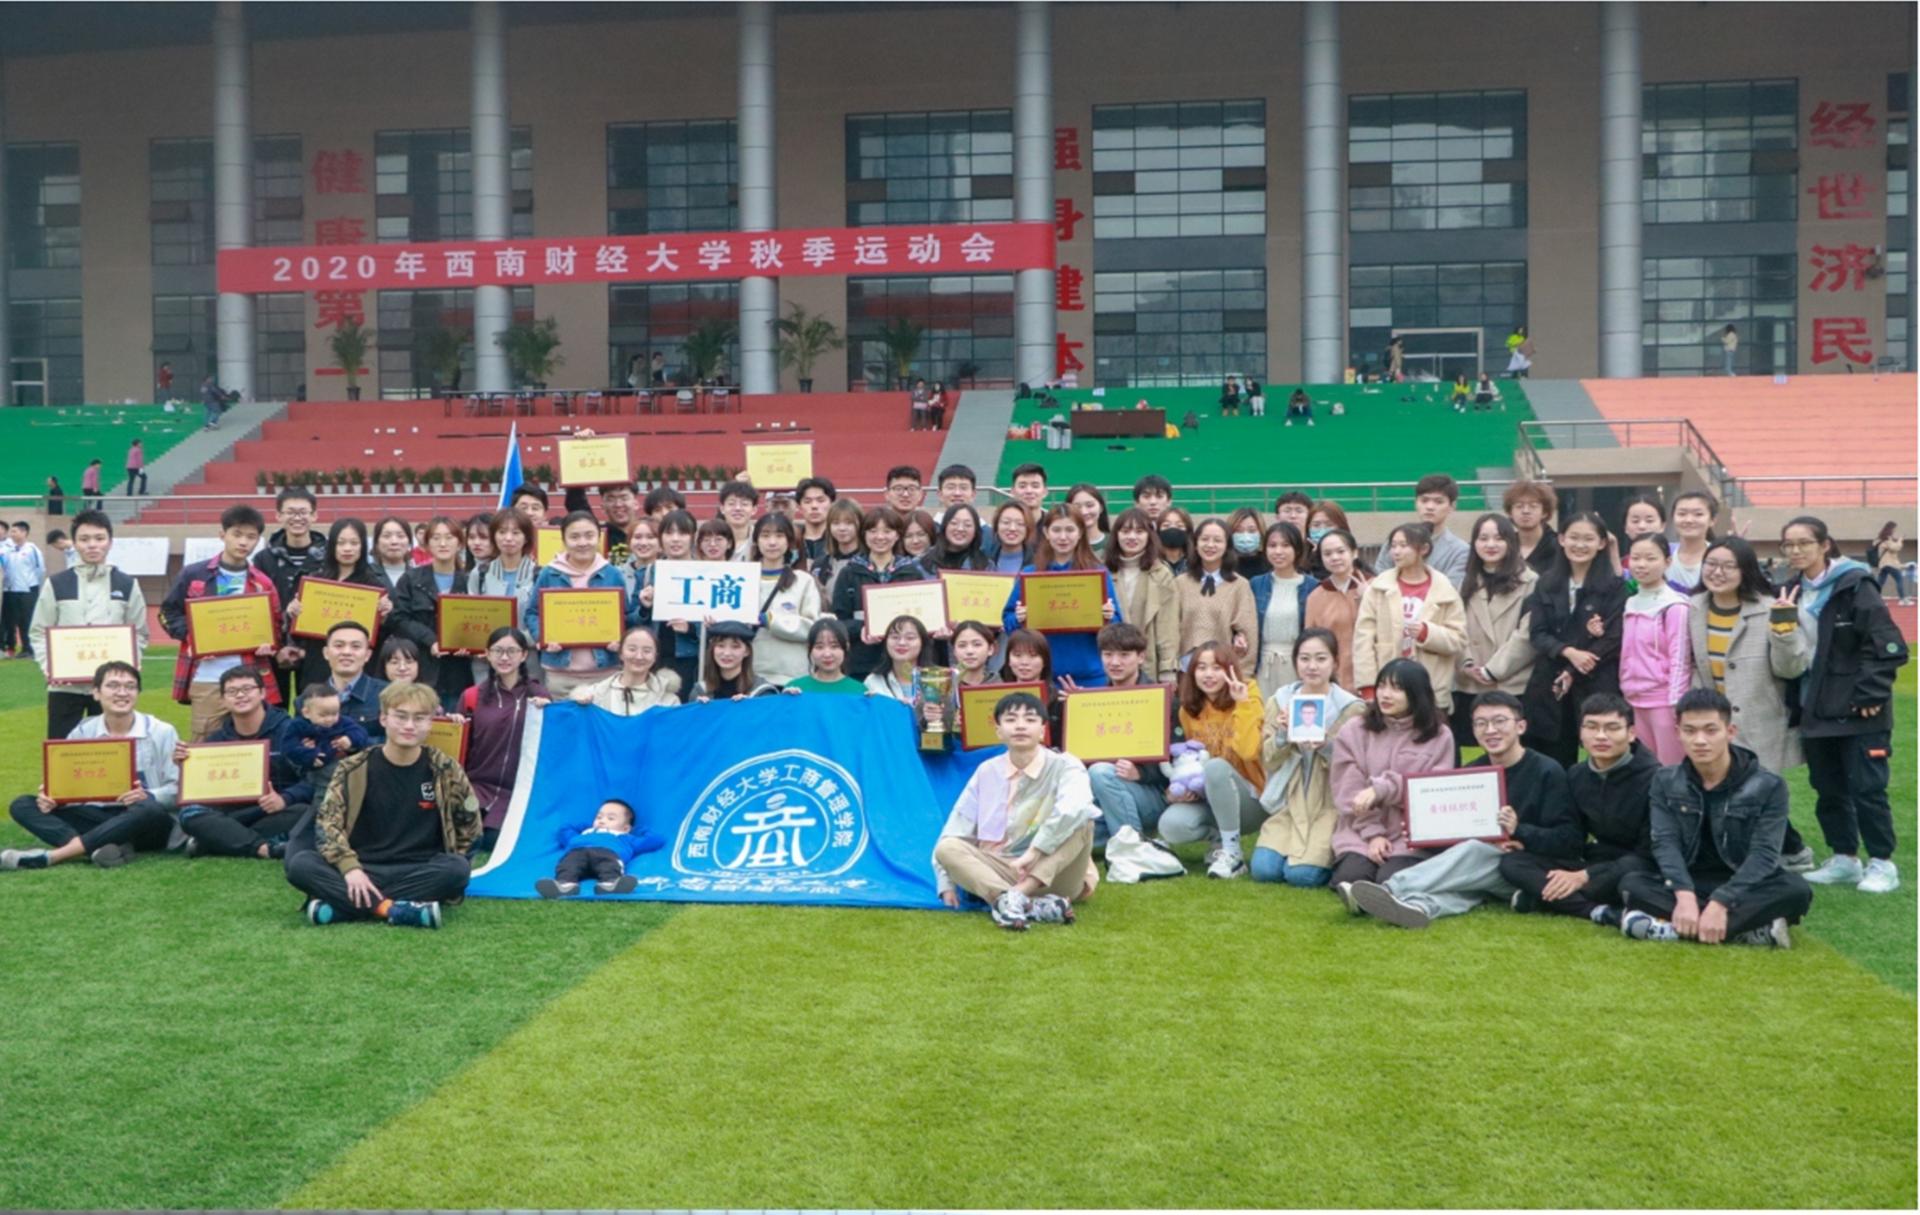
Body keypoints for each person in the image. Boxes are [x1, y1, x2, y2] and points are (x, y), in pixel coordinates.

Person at [1344, 691, 1577, 928]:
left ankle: (1389, 890)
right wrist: (1425, 831)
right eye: (1481, 723)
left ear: (1521, 726)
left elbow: (1569, 840)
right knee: (1467, 876)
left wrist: (1521, 833)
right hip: (1483, 869)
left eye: (1499, 721)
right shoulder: (1471, 775)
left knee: (1474, 853)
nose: (1490, 730)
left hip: (1529, 870)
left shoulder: (1547, 771)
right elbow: (1457, 835)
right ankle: (1418, 907)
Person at [1617, 690, 1811, 948]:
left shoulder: (1768, 785)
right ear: (1678, 733)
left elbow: (1764, 854)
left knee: (1797, 890)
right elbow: (1665, 842)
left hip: (1742, 882)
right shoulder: (1665, 780)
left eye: (1710, 731)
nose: (1700, 740)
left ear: (1730, 732)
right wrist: (1684, 895)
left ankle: (1674, 928)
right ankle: (1748, 931)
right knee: (1631, 883)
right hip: (1690, 879)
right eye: (1690, 731)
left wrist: (1721, 902)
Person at [1778, 516, 1908, 893]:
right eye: (1789, 544)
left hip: (1858, 709)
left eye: (1804, 543)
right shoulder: (1790, 590)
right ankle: (1844, 857)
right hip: (1815, 707)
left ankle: (1882, 862)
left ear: (1825, 545)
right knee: (1828, 787)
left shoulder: (1854, 585)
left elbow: (1887, 645)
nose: (1796, 550)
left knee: (1867, 788)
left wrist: (1870, 694)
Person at [285, 681, 482, 929]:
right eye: (401, 716)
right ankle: (393, 909)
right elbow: (328, 824)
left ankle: (346, 907)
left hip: (419, 870)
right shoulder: (352, 767)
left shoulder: (446, 768)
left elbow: (470, 824)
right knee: (301, 865)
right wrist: (350, 869)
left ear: (431, 723)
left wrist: (457, 857)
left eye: (419, 718)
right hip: (362, 867)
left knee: (457, 869)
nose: (409, 725)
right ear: (383, 718)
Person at [932, 691, 1094, 930]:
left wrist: (1036, 851)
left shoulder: (1066, 765)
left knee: (1084, 819)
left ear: (1043, 730)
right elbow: (956, 828)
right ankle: (1026, 905)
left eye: (1030, 719)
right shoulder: (986, 771)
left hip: (1055, 873)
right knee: (947, 848)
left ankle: (1015, 897)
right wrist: (946, 882)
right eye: (1010, 719)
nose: (1020, 726)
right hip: (1001, 868)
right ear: (998, 731)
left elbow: (1075, 807)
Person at [2, 662, 176, 873]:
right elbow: (67, 783)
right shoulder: (83, 730)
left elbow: (177, 789)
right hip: (96, 815)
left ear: (138, 693)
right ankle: (101, 847)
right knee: (23, 805)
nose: (122, 693)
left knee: (148, 809)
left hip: (143, 820)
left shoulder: (161, 731)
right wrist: (51, 796)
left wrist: (148, 795)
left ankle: (56, 856)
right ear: (96, 693)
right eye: (113, 686)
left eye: (130, 687)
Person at [1502, 693, 1658, 925]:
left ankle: (1548, 898)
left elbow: (1648, 854)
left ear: (1631, 733)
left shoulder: (1655, 778)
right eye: (1591, 727)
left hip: (1636, 866)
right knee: (1513, 863)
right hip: (1593, 861)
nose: (1601, 736)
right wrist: (1524, 837)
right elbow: (1571, 839)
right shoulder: (1577, 775)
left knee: (1631, 884)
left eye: (1612, 728)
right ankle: (1596, 911)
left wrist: (1584, 877)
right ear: (1581, 732)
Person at [1327, 659, 1455, 893]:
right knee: (1352, 877)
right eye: (1382, 686)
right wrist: (1373, 835)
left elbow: (1432, 790)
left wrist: (1382, 790)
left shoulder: (1439, 735)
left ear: (1416, 694)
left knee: (1391, 880)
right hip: (1360, 831)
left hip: (1410, 835)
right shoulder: (1354, 730)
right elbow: (1349, 790)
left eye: (1396, 689)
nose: (1385, 694)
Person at [160, 505, 284, 741]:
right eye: (237, 534)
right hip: (207, 677)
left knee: (254, 743)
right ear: (222, 535)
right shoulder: (193, 574)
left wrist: (269, 643)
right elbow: (168, 613)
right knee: (206, 744)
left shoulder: (263, 583)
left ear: (258, 541)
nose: (243, 542)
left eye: (251, 537)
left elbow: (276, 625)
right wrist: (193, 638)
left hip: (250, 675)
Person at [1252, 629, 1362, 887]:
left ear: (1335, 662)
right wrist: (1283, 735)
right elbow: (1268, 760)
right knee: (1264, 871)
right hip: (1289, 799)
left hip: (1328, 801)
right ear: (1295, 662)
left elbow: (1356, 767)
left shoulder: (1350, 708)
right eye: (1304, 659)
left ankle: (1327, 857)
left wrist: (1326, 746)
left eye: (1321, 659)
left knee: (1302, 876)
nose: (1312, 666)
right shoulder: (1281, 700)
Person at [29, 510, 149, 741]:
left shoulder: (126, 584)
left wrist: (132, 662)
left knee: (110, 750)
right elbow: (39, 631)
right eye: (84, 539)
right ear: (74, 543)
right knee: (62, 750)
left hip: (111, 688)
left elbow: (139, 633)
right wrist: (49, 666)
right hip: (64, 687)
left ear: (110, 542)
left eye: (99, 538)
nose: (92, 545)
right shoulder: (57, 583)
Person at [175, 668, 315, 860]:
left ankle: (214, 841)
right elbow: (202, 792)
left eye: (247, 689)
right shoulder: (216, 740)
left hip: (276, 810)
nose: (240, 695)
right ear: (223, 700)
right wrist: (186, 766)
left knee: (306, 813)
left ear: (263, 693)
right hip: (234, 813)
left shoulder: (290, 731)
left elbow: (312, 780)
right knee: (190, 813)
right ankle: (264, 848)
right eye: (232, 691)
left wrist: (285, 798)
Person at [1520, 512, 1626, 767]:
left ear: (1601, 543)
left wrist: (1575, 668)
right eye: (1574, 537)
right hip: (1551, 682)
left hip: (1596, 679)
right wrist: (1569, 652)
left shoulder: (1614, 586)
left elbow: (1614, 638)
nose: (1580, 545)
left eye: (1588, 539)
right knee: (1552, 758)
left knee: (1604, 754)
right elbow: (1538, 633)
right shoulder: (1547, 583)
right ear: (1561, 539)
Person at [1159, 641, 1264, 879]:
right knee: (1171, 826)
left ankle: (1233, 854)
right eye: (1201, 668)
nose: (1208, 675)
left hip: (1252, 798)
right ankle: (1219, 840)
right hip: (1210, 796)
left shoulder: (1249, 692)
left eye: (1217, 668)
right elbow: (1190, 760)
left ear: (1230, 670)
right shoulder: (1188, 710)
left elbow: (1249, 751)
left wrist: (1242, 703)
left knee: (1215, 767)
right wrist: (1180, 792)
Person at [1354, 521, 1467, 719]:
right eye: (1393, 546)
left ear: (1423, 549)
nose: (1396, 551)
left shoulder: (1445, 590)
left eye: (1403, 545)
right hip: (1387, 688)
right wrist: (1368, 685)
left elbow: (1458, 639)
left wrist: (1427, 633)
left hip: (1430, 689)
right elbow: (1363, 638)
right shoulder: (1379, 588)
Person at [452, 626, 548, 851]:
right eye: (498, 651)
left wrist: (548, 713)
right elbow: (460, 747)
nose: (504, 657)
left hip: (518, 790)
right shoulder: (471, 696)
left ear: (524, 655)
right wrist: (455, 725)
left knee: (495, 839)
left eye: (512, 651)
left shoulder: (539, 695)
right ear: (487, 654)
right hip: (477, 786)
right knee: (465, 831)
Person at [525, 510, 638, 698]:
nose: (583, 542)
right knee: (563, 717)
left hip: (605, 671)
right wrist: (542, 637)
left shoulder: (612, 574)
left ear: (599, 537)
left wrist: (621, 639)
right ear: (564, 540)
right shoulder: (549, 573)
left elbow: (625, 616)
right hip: (560, 672)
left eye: (589, 535)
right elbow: (532, 613)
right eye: (575, 537)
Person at [1003, 506, 1119, 688]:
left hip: (1090, 675)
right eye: (1056, 530)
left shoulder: (1097, 574)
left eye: (1070, 530)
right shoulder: (1030, 575)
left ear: (1080, 533)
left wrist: (1108, 617)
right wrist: (1019, 618)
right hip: (1041, 676)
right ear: (1046, 533)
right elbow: (1008, 622)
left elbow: (1117, 628)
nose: (1063, 537)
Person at [281, 519, 391, 695]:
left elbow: (380, 637)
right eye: (341, 543)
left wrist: (384, 616)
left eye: (354, 543)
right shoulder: (315, 582)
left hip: (357, 668)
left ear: (363, 546)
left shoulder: (374, 586)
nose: (347, 548)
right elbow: (299, 635)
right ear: (332, 546)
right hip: (317, 665)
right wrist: (293, 613)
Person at [1455, 513, 1538, 746]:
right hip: (1470, 683)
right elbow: (1455, 627)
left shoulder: (1531, 581)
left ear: (1511, 542)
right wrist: (1467, 664)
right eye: (1483, 538)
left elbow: (1528, 633)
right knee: (1475, 752)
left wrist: (1493, 671)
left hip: (1511, 682)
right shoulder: (1465, 581)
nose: (1490, 545)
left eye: (1499, 538)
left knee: (1509, 748)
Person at [386, 516, 475, 712]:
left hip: (458, 672)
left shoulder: (471, 580)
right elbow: (399, 619)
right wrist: (431, 640)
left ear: (460, 543)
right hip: (422, 669)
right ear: (426, 544)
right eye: (436, 538)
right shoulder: (411, 579)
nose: (443, 543)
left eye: (449, 537)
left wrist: (469, 644)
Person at [1618, 533, 1692, 764]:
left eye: (1650, 558)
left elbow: (1680, 659)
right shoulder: (1630, 602)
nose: (1641, 565)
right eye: (1636, 558)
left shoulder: (1675, 605)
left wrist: (1676, 704)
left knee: (1670, 769)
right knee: (1644, 770)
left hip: (1664, 702)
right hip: (1633, 699)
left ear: (1667, 562)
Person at [829, 506, 927, 679]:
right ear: (864, 535)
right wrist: (861, 629)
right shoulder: (849, 572)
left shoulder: (911, 572)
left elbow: (923, 618)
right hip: (862, 663)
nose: (880, 537)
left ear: (897, 535)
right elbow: (838, 620)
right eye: (873, 531)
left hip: (904, 663)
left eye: (887, 531)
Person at [255, 487, 327, 703]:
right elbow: (258, 606)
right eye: (290, 512)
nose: (297, 518)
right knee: (274, 709)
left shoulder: (329, 557)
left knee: (316, 707)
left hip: (317, 647)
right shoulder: (263, 559)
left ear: (314, 515)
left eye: (303, 512)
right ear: (278, 516)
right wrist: (276, 646)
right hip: (274, 648)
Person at [1104, 508, 1180, 683]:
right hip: (1109, 665)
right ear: (1116, 535)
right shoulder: (1102, 571)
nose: (1132, 537)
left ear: (1149, 536)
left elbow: (1168, 627)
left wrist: (1168, 669)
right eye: (1125, 531)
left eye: (1139, 531)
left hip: (1147, 664)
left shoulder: (1161, 574)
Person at [1176, 518, 1257, 679]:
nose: (1210, 545)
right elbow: (1170, 629)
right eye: (1205, 539)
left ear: (1227, 546)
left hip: (1223, 672)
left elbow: (1249, 632)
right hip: (1185, 670)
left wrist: (1243, 676)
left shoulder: (1239, 585)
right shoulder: (1180, 583)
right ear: (1195, 544)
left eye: (1217, 540)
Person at [748, 512, 821, 687]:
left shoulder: (803, 581)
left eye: (779, 536)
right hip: (751, 673)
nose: (772, 542)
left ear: (789, 542)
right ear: (756, 541)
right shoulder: (744, 578)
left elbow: (813, 628)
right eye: (765, 536)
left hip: (793, 675)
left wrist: (771, 620)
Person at [536, 797, 661, 898]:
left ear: (625, 828)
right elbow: (564, 830)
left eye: (610, 818)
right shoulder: (585, 833)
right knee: (568, 864)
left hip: (607, 853)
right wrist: (588, 827)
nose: (602, 821)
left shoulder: (623, 837)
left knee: (610, 865)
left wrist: (638, 830)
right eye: (599, 817)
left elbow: (654, 840)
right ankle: (564, 885)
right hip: (577, 852)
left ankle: (610, 884)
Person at [1251, 521, 1317, 691]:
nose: (1278, 551)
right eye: (1272, 545)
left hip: (1297, 666)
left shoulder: (1312, 587)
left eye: (1286, 545)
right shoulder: (1256, 584)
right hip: (1263, 666)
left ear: (1297, 549)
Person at [1373, 473, 1469, 588]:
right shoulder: (1396, 540)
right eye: (1424, 500)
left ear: (1452, 506)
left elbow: (1451, 589)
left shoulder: (1460, 551)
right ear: (1416, 503)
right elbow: (1379, 579)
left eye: (1438, 502)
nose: (1430, 507)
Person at [1303, 528, 1365, 690]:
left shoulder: (1374, 587)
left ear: (1354, 553)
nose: (1335, 557)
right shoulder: (1316, 596)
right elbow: (1310, 641)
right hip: (1331, 680)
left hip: (1368, 676)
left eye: (1340, 551)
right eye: (1327, 554)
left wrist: (1366, 599)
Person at [572, 624, 682, 714]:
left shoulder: (668, 701)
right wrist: (580, 702)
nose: (639, 656)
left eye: (647, 651)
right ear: (620, 653)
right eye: (632, 649)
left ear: (655, 657)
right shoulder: (595, 696)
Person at [311, 621, 388, 741]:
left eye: (355, 646)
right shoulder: (308, 698)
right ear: (326, 653)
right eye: (339, 645)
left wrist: (355, 743)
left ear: (367, 655)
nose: (346, 652)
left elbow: (396, 741)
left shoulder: (387, 694)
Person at [282, 682, 372, 775]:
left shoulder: (342, 721)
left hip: (340, 767)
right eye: (323, 715)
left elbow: (361, 733)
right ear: (306, 713)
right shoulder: (297, 726)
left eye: (334, 714)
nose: (329, 719)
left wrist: (350, 739)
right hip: (311, 772)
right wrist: (308, 755)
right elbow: (288, 747)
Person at [691, 620, 778, 700]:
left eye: (735, 647)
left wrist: (750, 707)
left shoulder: (761, 691)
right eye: (721, 646)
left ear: (747, 651)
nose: (727, 653)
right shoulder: (701, 691)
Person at [863, 614, 933, 702]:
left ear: (923, 643)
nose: (901, 643)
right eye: (895, 637)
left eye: (910, 638)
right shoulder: (874, 681)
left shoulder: (938, 678)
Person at [2, 520, 47, 658]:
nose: (12, 534)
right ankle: (12, 647)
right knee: (10, 620)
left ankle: (29, 649)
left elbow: (40, 570)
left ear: (24, 532)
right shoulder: (8, 550)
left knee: (26, 620)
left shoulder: (32, 549)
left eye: (14, 531)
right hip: (10, 590)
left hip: (28, 591)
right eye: (11, 531)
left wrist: (31, 585)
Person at [788, 618, 866, 696]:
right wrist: (786, 699)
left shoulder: (859, 690)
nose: (827, 654)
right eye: (819, 647)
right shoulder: (796, 689)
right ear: (809, 649)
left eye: (834, 646)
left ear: (846, 647)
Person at [1502, 479, 1560, 574]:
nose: (1526, 511)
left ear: (1544, 512)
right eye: (1519, 506)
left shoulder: (1559, 547)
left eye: (1533, 506)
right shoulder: (1505, 546)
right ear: (1510, 512)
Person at [1667, 491, 1717, 591]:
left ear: (1712, 520)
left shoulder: (1719, 556)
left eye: (1698, 514)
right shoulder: (1663, 553)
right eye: (1682, 514)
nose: (1689, 520)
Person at [929, 504, 990, 571]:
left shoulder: (986, 566)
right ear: (945, 527)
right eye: (954, 523)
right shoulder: (924, 563)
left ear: (976, 531)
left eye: (967, 525)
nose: (960, 529)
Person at [987, 502, 1035, 574]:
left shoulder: (1039, 563)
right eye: (1006, 522)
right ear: (996, 526)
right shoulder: (984, 561)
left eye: (1020, 524)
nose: (1012, 528)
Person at [1869, 521, 1910, 604]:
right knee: (1899, 579)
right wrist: (1900, 540)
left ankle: (1875, 599)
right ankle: (1903, 600)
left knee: (1880, 582)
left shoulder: (1880, 539)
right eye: (1894, 529)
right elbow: (1895, 548)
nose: (1895, 531)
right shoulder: (1887, 539)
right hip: (1890, 564)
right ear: (1890, 529)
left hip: (1883, 564)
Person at [1066, 483, 1110, 558]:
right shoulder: (1063, 543)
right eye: (1077, 507)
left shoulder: (1114, 542)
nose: (1084, 512)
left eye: (1090, 505)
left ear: (1101, 508)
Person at [371, 516, 415, 589]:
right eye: (386, 536)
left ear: (409, 542)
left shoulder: (421, 578)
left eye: (400, 536)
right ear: (376, 543)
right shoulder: (363, 576)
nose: (394, 542)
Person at [1227, 508, 1269, 579]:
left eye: (1252, 531)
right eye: (1239, 530)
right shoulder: (1222, 565)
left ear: (1261, 532)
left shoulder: (1271, 563)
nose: (1246, 536)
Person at [1157, 506, 1194, 575]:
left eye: (1179, 526)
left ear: (1188, 531)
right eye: (1166, 525)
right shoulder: (1150, 562)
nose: (1173, 528)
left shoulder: (1196, 563)